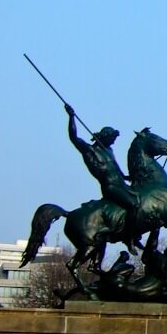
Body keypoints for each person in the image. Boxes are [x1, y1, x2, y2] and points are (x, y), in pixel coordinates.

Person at [65, 103, 142, 253]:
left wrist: (127, 176)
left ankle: (133, 233)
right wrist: (71, 117)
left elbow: (116, 169)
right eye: (112, 138)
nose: (114, 142)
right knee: (133, 205)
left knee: (142, 202)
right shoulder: (89, 150)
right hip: (110, 187)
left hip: (121, 184)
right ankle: (129, 238)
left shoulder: (109, 150)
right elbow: (74, 137)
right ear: (105, 137)